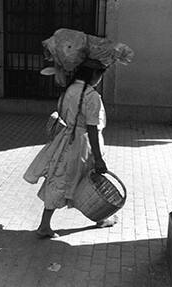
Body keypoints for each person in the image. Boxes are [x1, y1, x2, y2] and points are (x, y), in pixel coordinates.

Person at [23, 59, 116, 238]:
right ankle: (45, 226)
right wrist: (98, 158)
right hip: (82, 145)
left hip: (65, 139)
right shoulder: (92, 96)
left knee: (59, 178)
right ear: (94, 75)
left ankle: (98, 218)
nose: (100, 80)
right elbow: (92, 128)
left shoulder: (69, 90)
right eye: (100, 75)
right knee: (89, 180)